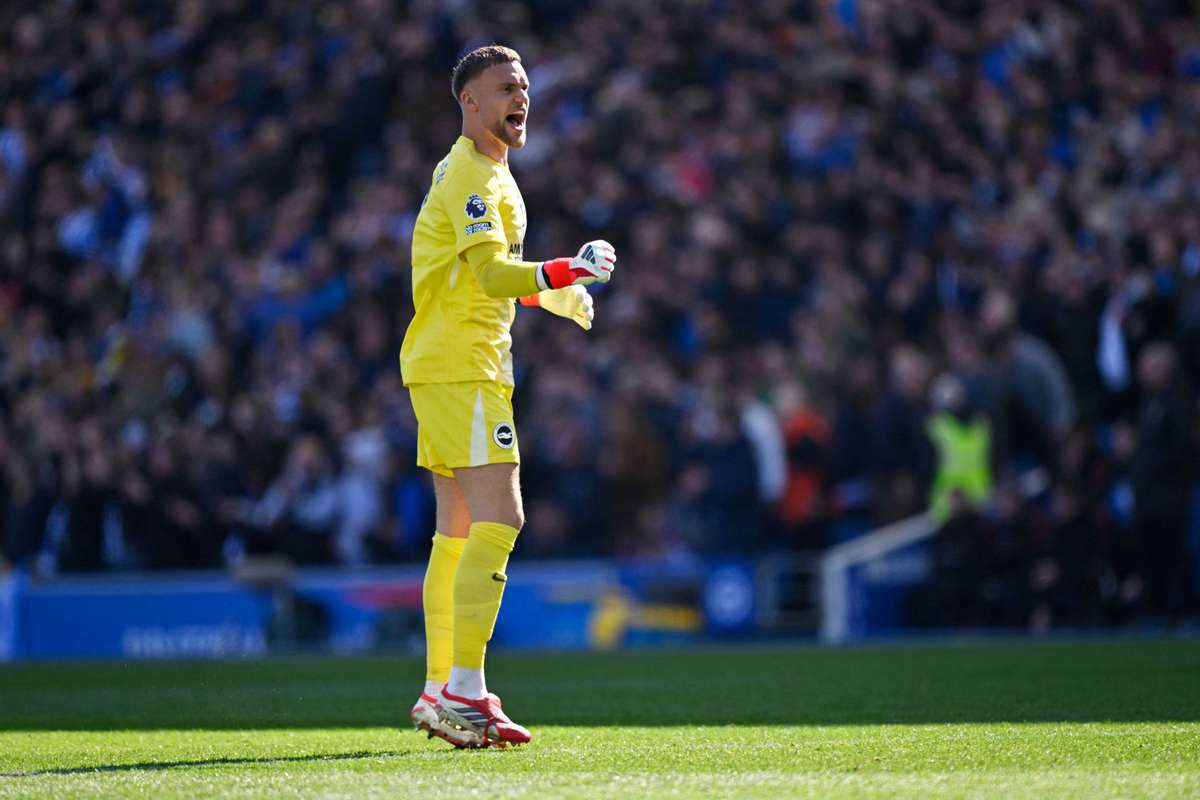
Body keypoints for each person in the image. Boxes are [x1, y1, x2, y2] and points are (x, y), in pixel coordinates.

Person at [399, 45, 616, 748]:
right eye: (503, 88)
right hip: (463, 367)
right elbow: (493, 277)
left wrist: (553, 295)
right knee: (503, 517)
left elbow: (481, 279)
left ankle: (439, 689)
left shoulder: (484, 171)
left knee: (457, 532)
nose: (520, 98)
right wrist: (567, 270)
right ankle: (465, 690)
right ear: (469, 101)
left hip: (450, 363)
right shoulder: (472, 174)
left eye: (523, 86)